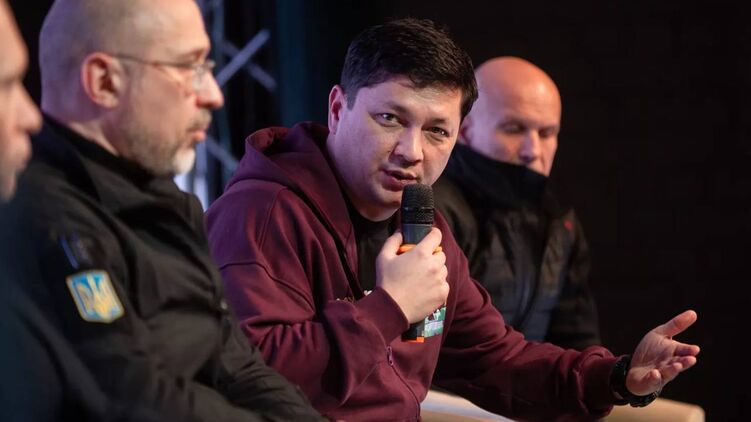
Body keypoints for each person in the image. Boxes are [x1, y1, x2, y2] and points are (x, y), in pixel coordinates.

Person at [205, 18, 700, 421]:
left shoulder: (424, 228)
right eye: (390, 119)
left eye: (436, 131)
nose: (412, 151)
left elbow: (498, 361)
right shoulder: (261, 213)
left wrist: (617, 378)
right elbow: (256, 381)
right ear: (337, 109)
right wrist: (389, 307)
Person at [0, 0, 323, 420]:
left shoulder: (171, 200)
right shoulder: (47, 217)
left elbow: (236, 364)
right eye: (189, 67)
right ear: (104, 82)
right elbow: (134, 399)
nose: (214, 94)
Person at [433, 56, 600, 350]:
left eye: (546, 133)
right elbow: (424, 347)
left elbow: (577, 343)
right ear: (465, 130)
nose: (532, 150)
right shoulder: (436, 210)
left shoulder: (561, 222)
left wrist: (613, 373)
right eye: (513, 129)